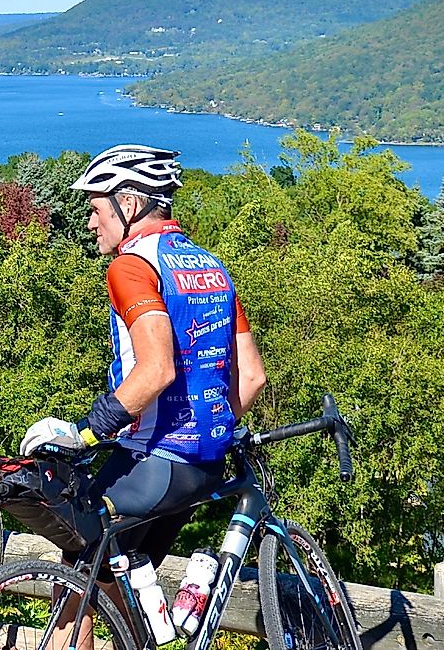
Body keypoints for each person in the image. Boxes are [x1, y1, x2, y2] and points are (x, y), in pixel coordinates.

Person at [21, 144, 267, 648]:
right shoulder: (211, 265)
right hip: (204, 463)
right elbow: (252, 379)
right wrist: (209, 430)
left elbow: (154, 368)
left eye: (94, 208)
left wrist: (84, 432)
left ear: (127, 204)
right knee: (123, 578)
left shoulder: (131, 266)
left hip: (155, 459)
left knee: (82, 562)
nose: (91, 223)